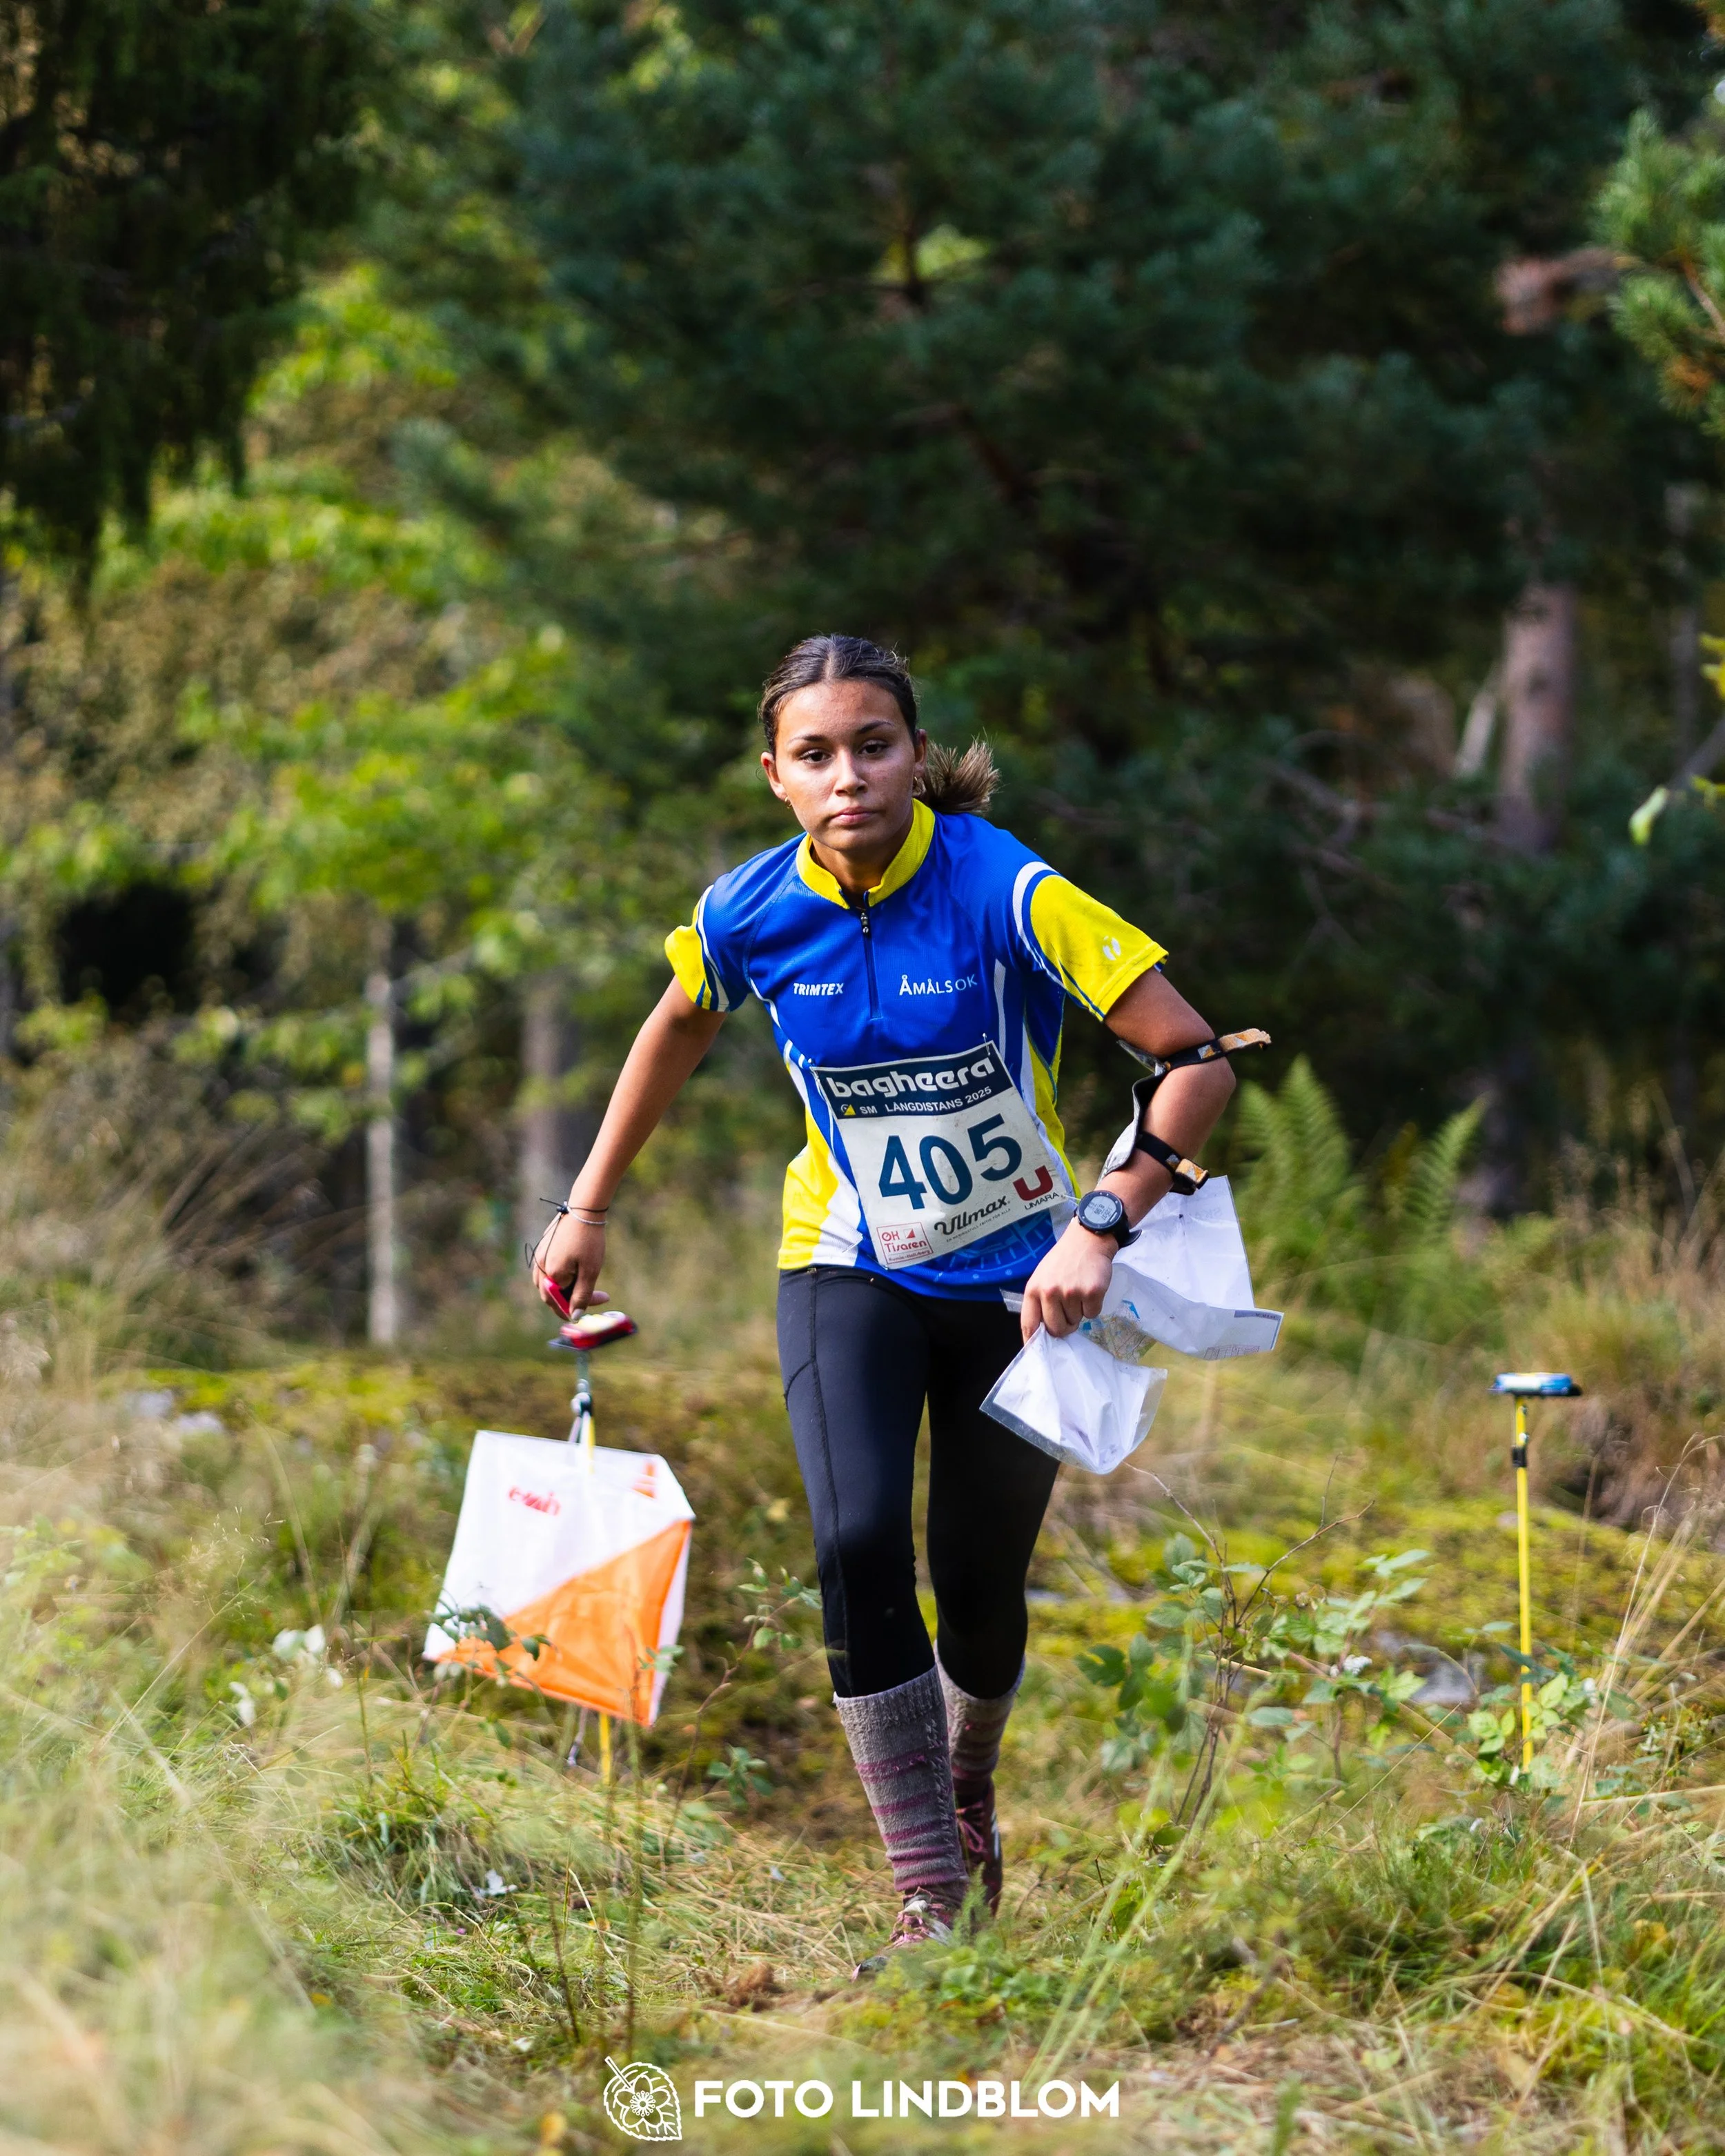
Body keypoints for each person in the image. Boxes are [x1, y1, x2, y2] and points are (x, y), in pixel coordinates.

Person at [531, 634, 1238, 1966]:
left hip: (1024, 1285)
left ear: (917, 756)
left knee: (977, 1585)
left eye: (874, 745)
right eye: (816, 755)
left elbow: (1197, 1061)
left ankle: (965, 1788)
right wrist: (589, 1203)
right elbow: (679, 1019)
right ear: (776, 777)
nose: (847, 776)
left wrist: (1102, 1222)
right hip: (845, 1260)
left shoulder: (1004, 887)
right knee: (857, 1544)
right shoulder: (750, 910)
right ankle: (931, 1897)